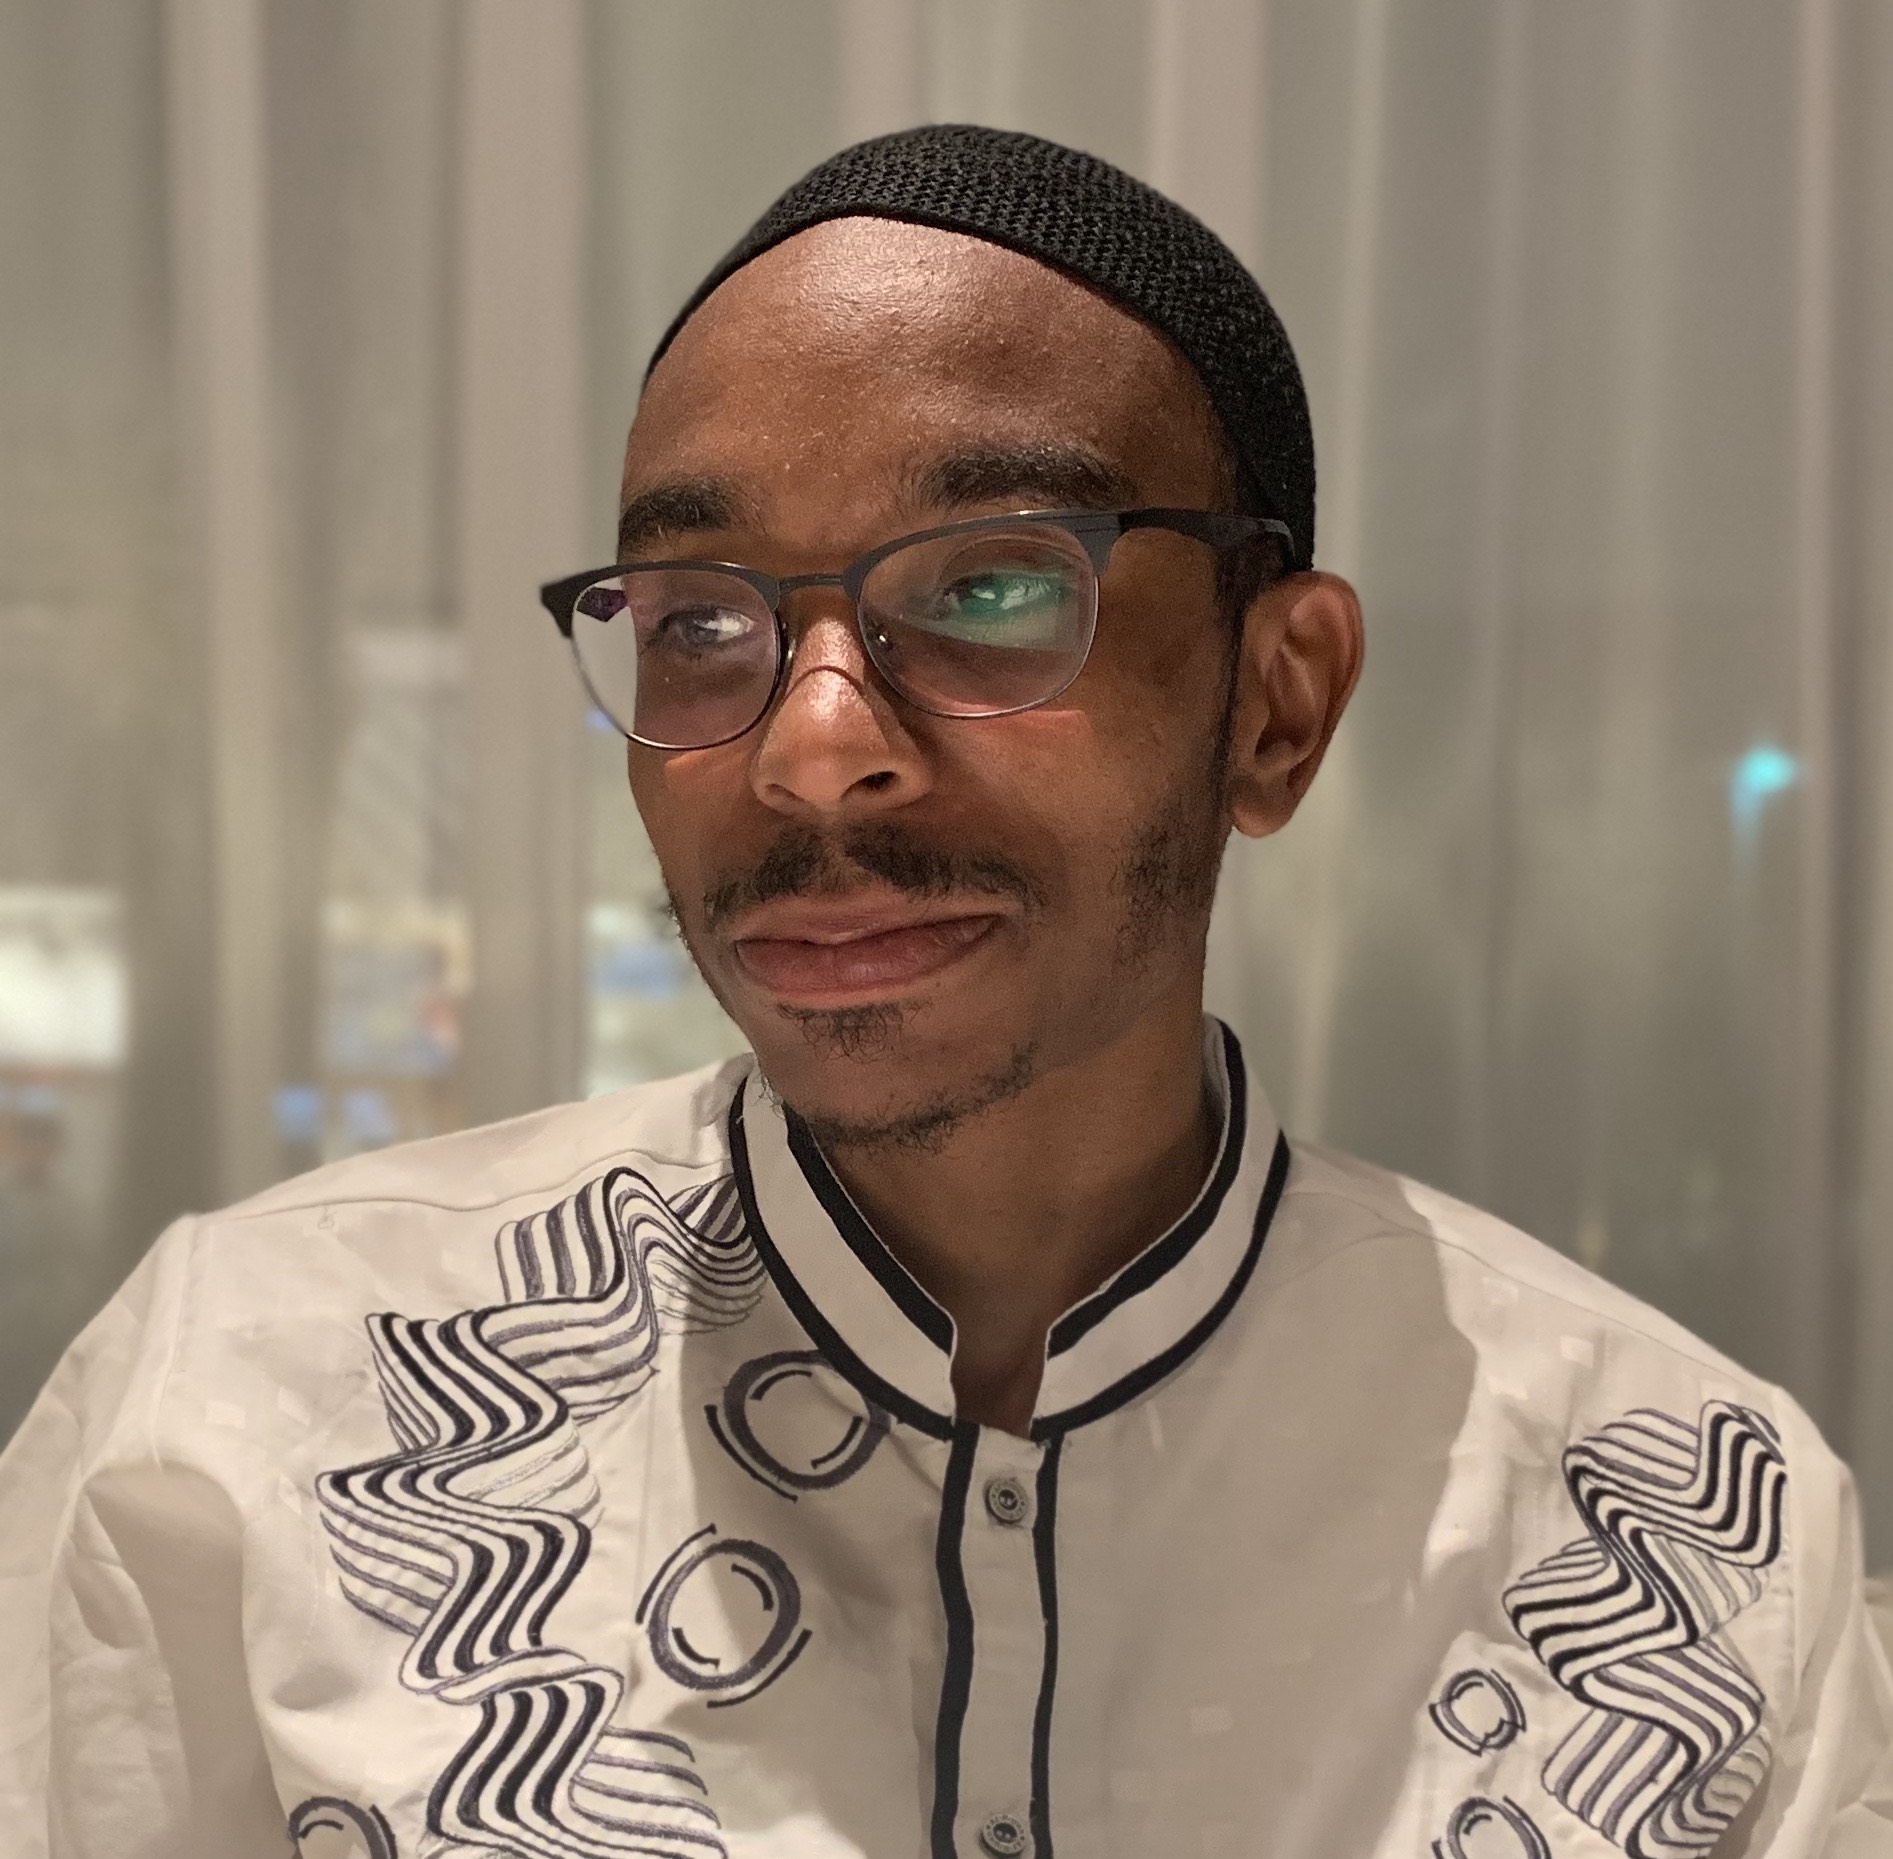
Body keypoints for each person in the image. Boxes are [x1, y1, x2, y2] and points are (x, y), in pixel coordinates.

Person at [1, 125, 1888, 1859]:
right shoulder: (252, 1406)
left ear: (1277, 701)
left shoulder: (1687, 1537)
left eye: (990, 589)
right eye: (699, 623)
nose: (810, 750)